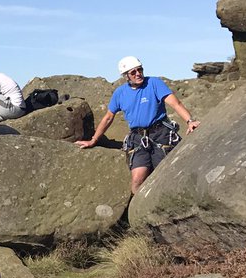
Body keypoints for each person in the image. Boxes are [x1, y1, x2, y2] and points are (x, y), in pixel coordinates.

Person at [75, 55, 201, 193]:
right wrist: (93, 140)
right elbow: (108, 118)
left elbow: (175, 103)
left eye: (139, 70)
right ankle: (139, 211)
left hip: (161, 134)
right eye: (133, 72)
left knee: (165, 175)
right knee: (137, 179)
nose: (138, 74)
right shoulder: (120, 93)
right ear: (126, 76)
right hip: (137, 138)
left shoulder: (154, 83)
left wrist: (190, 121)